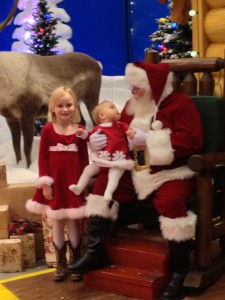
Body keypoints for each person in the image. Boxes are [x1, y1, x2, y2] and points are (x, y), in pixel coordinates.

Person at [67, 62, 203, 300]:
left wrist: (149, 139)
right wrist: (97, 141)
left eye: (137, 88)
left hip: (171, 171)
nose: (132, 92)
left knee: (172, 202)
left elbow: (192, 141)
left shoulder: (181, 105)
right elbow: (116, 134)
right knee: (102, 184)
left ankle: (180, 272)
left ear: (153, 87)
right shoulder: (132, 106)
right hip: (138, 167)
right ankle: (96, 250)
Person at [26, 86, 89, 282]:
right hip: (55, 184)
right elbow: (43, 158)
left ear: (74, 106)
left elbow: (83, 160)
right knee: (58, 222)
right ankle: (61, 262)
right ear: (53, 107)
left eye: (69, 105)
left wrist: (83, 183)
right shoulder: (47, 130)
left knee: (74, 223)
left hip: (73, 184)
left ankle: (76, 261)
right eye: (60, 105)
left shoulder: (80, 131)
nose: (65, 109)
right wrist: (45, 183)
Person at [69, 100, 135, 201]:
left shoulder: (120, 125)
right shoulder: (98, 128)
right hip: (103, 160)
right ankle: (79, 187)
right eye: (112, 107)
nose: (116, 109)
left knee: (114, 175)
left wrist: (131, 134)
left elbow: (130, 131)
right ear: (102, 115)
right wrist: (82, 133)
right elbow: (89, 137)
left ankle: (108, 193)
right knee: (88, 169)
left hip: (119, 160)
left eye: (115, 107)